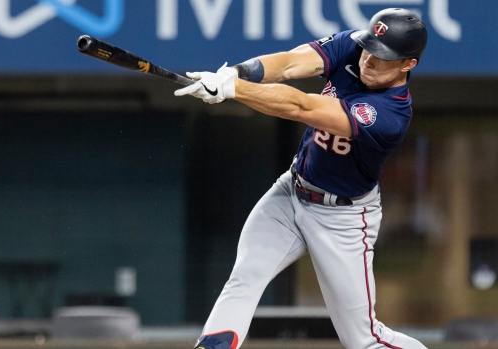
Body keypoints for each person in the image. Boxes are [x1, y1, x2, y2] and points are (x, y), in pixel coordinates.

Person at [175, 7, 429, 349]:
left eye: (383, 56)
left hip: (343, 216)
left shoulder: (390, 114)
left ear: (407, 64)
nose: (369, 59)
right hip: (291, 191)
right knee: (244, 279)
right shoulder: (352, 46)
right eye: (370, 47)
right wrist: (235, 73)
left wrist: (234, 90)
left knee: (364, 339)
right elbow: (290, 63)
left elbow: (301, 107)